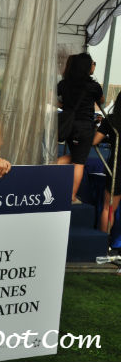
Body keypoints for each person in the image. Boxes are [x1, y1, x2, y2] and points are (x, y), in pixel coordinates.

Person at [57, 52, 104, 203]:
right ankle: (71, 196)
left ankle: (53, 164)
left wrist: (65, 106)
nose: (94, 66)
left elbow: (54, 97)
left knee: (77, 155)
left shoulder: (64, 84)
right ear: (87, 67)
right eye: (92, 63)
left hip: (68, 126)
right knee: (79, 163)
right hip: (84, 127)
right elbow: (102, 100)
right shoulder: (93, 86)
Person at [92, 91, 121, 237]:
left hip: (117, 167)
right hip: (116, 167)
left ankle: (103, 244)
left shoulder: (112, 120)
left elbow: (94, 141)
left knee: (108, 208)